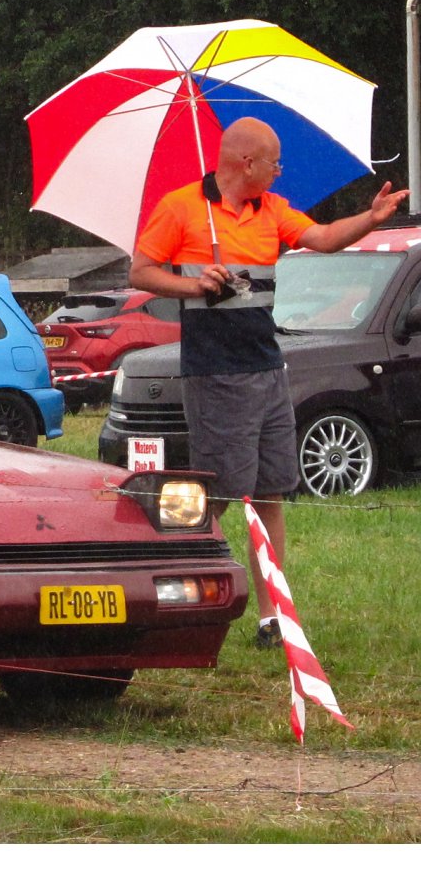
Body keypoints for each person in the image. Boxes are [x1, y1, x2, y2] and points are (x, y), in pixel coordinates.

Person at [130, 117, 408, 648]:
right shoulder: (182, 207)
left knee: (271, 493)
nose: (280, 172)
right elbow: (141, 272)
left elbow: (324, 239)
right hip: (215, 375)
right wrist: (192, 284)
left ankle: (273, 616)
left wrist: (371, 218)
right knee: (218, 496)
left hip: (267, 369)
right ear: (246, 163)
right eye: (275, 163)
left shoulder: (272, 210)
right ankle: (176, 589)